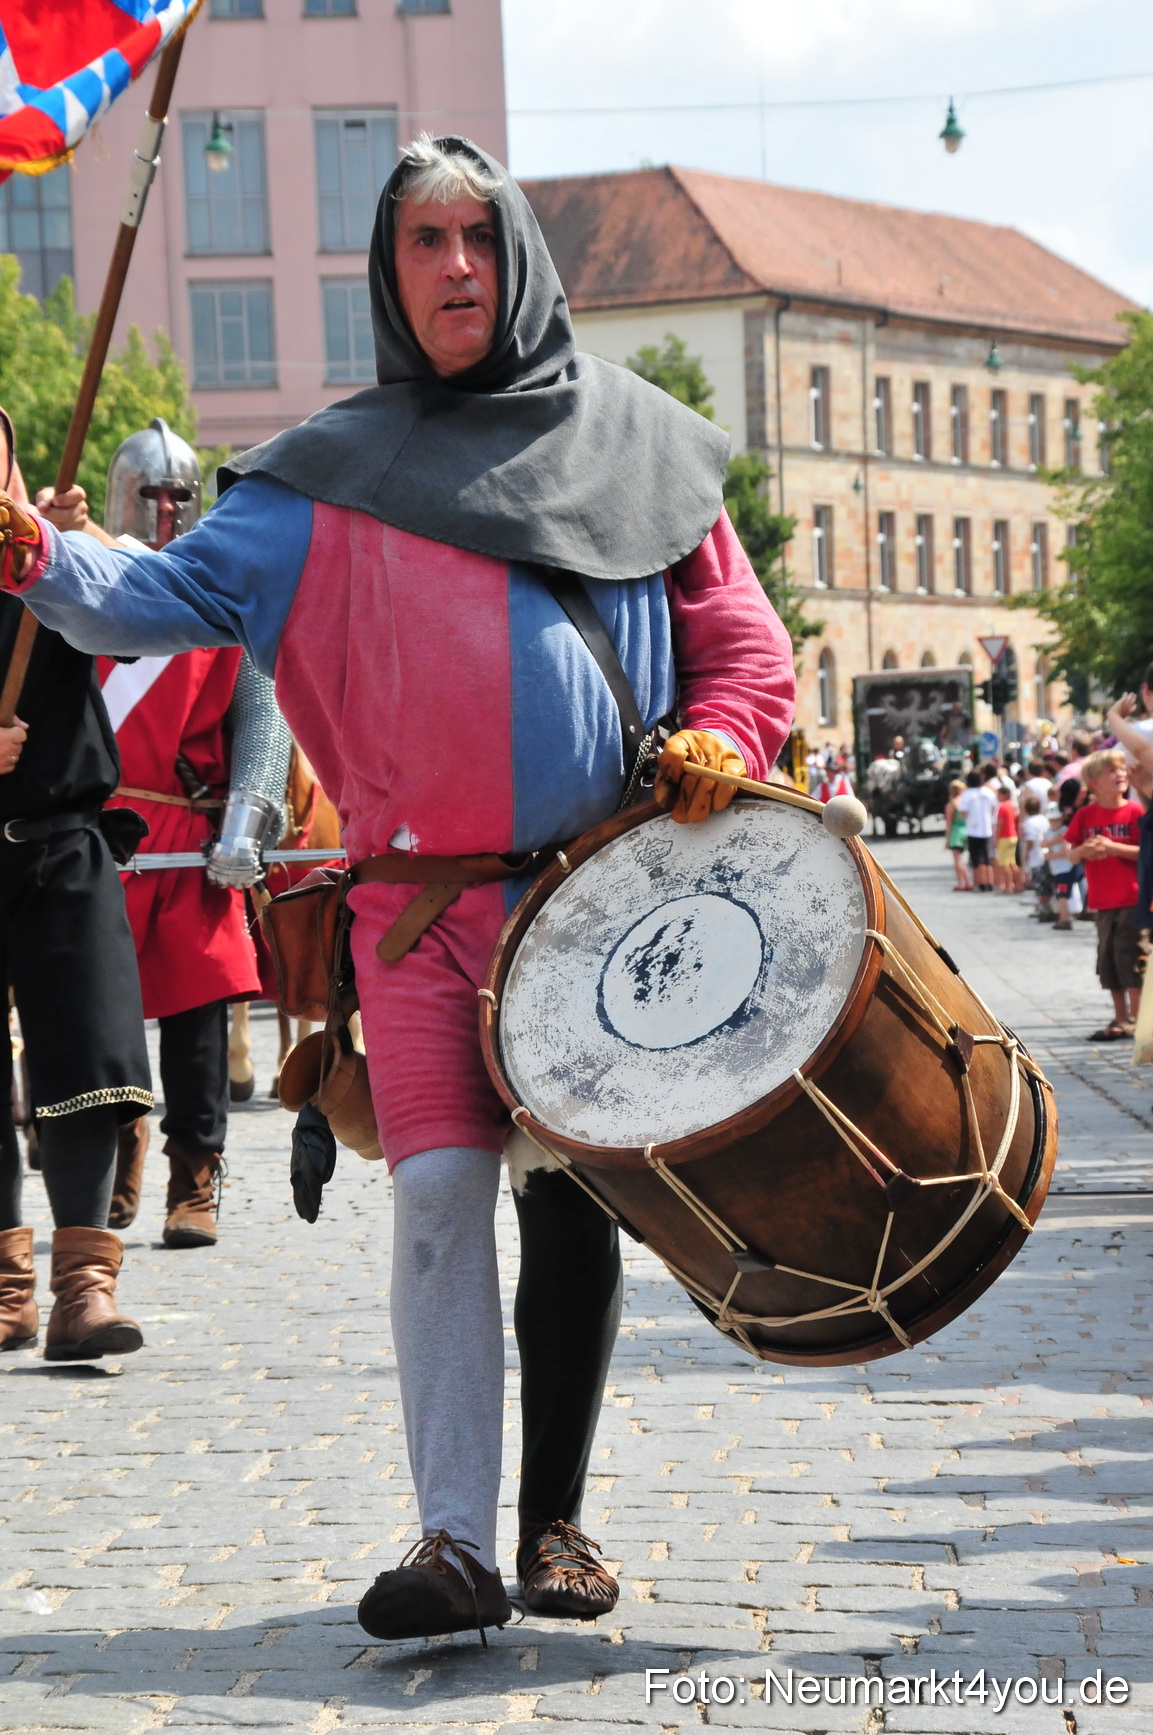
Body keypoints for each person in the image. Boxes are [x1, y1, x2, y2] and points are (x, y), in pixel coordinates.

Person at [0, 136, 795, 1638]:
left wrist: (723, 735)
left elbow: (746, 647)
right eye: (423, 241)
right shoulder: (321, 475)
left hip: (601, 904)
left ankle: (552, 1518)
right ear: (389, 271)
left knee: (571, 1207)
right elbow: (142, 600)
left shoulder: (644, 443)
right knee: (436, 1203)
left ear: (518, 259)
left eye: (477, 238)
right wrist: (33, 547)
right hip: (418, 920)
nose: (453, 267)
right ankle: (453, 1543)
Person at [89, 421, 292, 1247]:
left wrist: (246, 815)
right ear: (121, 496)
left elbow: (261, 714)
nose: (168, 508)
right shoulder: (77, 589)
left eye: (181, 495)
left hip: (189, 829)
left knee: (202, 1007)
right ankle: (117, 1156)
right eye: (152, 493)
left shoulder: (223, 597)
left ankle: (196, 1174)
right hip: (98, 831)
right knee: (102, 1018)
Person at [0, 408, 152, 1359]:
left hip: (64, 837)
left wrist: (78, 545)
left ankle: (81, 1289)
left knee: (92, 1065)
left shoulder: (41, 553)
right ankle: (4, 1288)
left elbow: (137, 619)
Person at [1064, 748, 1144, 1040]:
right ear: (1093, 783)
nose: (1120, 774)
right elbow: (1071, 855)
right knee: (1108, 959)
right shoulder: (1086, 815)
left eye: (1122, 769)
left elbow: (1146, 853)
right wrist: (1084, 851)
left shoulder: (1135, 812)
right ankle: (1120, 1016)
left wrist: (1113, 848)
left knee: (1130, 957)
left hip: (1133, 900)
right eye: (1112, 770)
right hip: (1102, 902)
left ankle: (1135, 1018)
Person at [955, 769, 996, 891]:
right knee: (987, 857)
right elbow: (994, 808)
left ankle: (979, 883)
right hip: (987, 828)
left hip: (973, 829)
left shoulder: (967, 795)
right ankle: (990, 882)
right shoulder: (988, 793)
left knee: (976, 858)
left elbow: (963, 812)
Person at [943, 777, 971, 891]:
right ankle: (968, 882)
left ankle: (962, 883)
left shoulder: (952, 804)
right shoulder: (966, 802)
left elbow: (949, 823)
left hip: (956, 832)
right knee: (963, 860)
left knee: (957, 861)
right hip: (967, 830)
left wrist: (947, 840)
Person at [994, 785, 1022, 894]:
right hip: (1013, 835)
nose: (997, 796)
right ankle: (1019, 885)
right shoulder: (1012, 806)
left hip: (1004, 837)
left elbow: (1000, 824)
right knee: (1012, 862)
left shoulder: (1002, 807)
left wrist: (996, 839)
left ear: (1004, 794)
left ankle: (1008, 887)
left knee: (1004, 863)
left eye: (999, 794)